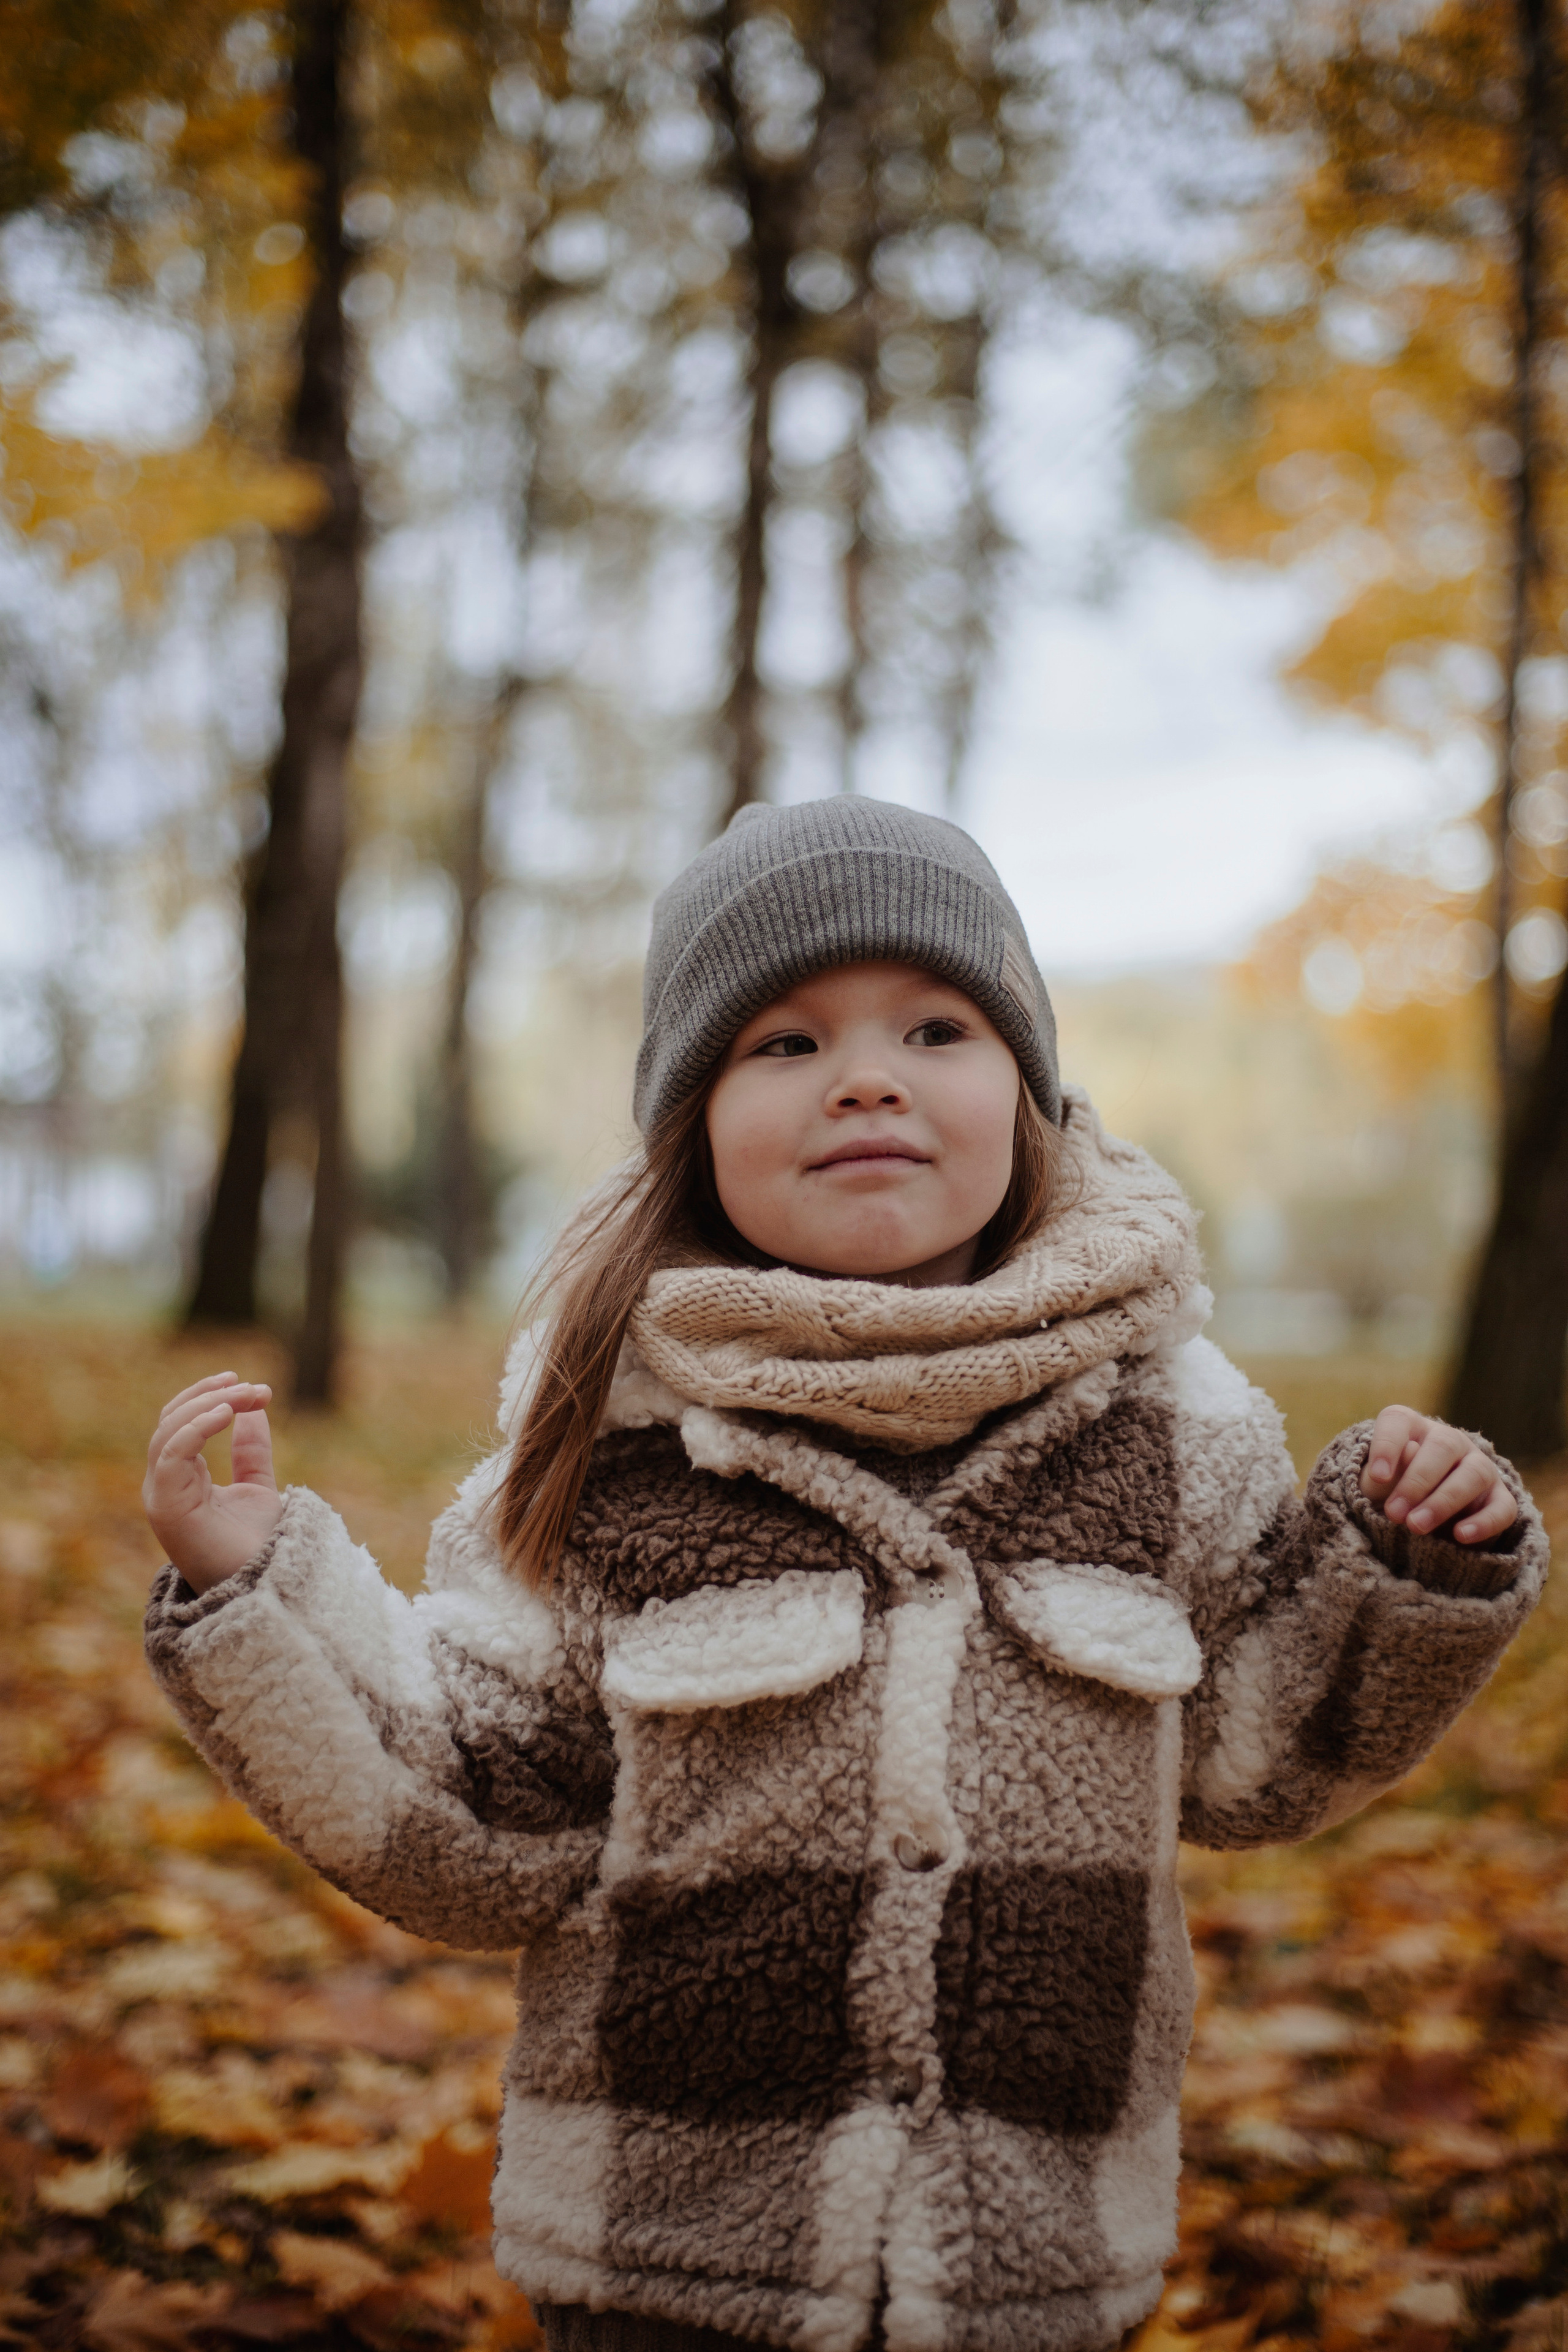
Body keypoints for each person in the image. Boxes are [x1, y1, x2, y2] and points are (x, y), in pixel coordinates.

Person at [144, 797, 1545, 2352]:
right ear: (693, 1122)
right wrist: (256, 1588)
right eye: (784, 1045)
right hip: (663, 2256)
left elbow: (1246, 1762)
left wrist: (1402, 1564)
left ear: (1026, 1091)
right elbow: (482, 1809)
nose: (866, 1074)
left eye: (936, 1027)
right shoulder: (615, 1435)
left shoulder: (1168, 1417)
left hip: (1032, 2254)